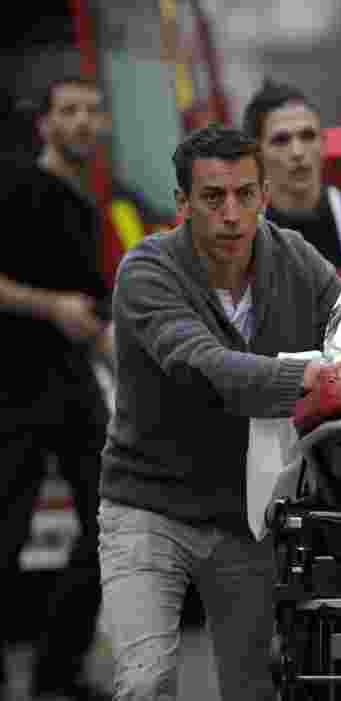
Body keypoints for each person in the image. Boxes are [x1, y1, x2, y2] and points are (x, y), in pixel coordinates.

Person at [97, 125, 341, 701]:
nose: (231, 213)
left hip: (246, 515)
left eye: (246, 194)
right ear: (182, 204)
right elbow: (200, 365)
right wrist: (305, 376)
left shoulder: (296, 259)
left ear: (265, 195)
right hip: (147, 507)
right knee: (145, 682)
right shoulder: (147, 271)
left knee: (253, 687)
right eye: (213, 197)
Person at [0, 76, 114, 701]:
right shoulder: (15, 186)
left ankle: (56, 674)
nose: (81, 122)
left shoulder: (86, 204)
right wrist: (50, 308)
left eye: (91, 111)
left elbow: (92, 312)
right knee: (5, 536)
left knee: (109, 522)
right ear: (43, 123)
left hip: (72, 386)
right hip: (11, 388)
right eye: (68, 111)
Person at [242, 79, 341, 278]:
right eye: (281, 140)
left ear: (324, 142)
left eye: (307, 136)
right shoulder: (242, 234)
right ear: (257, 152)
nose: (297, 152)